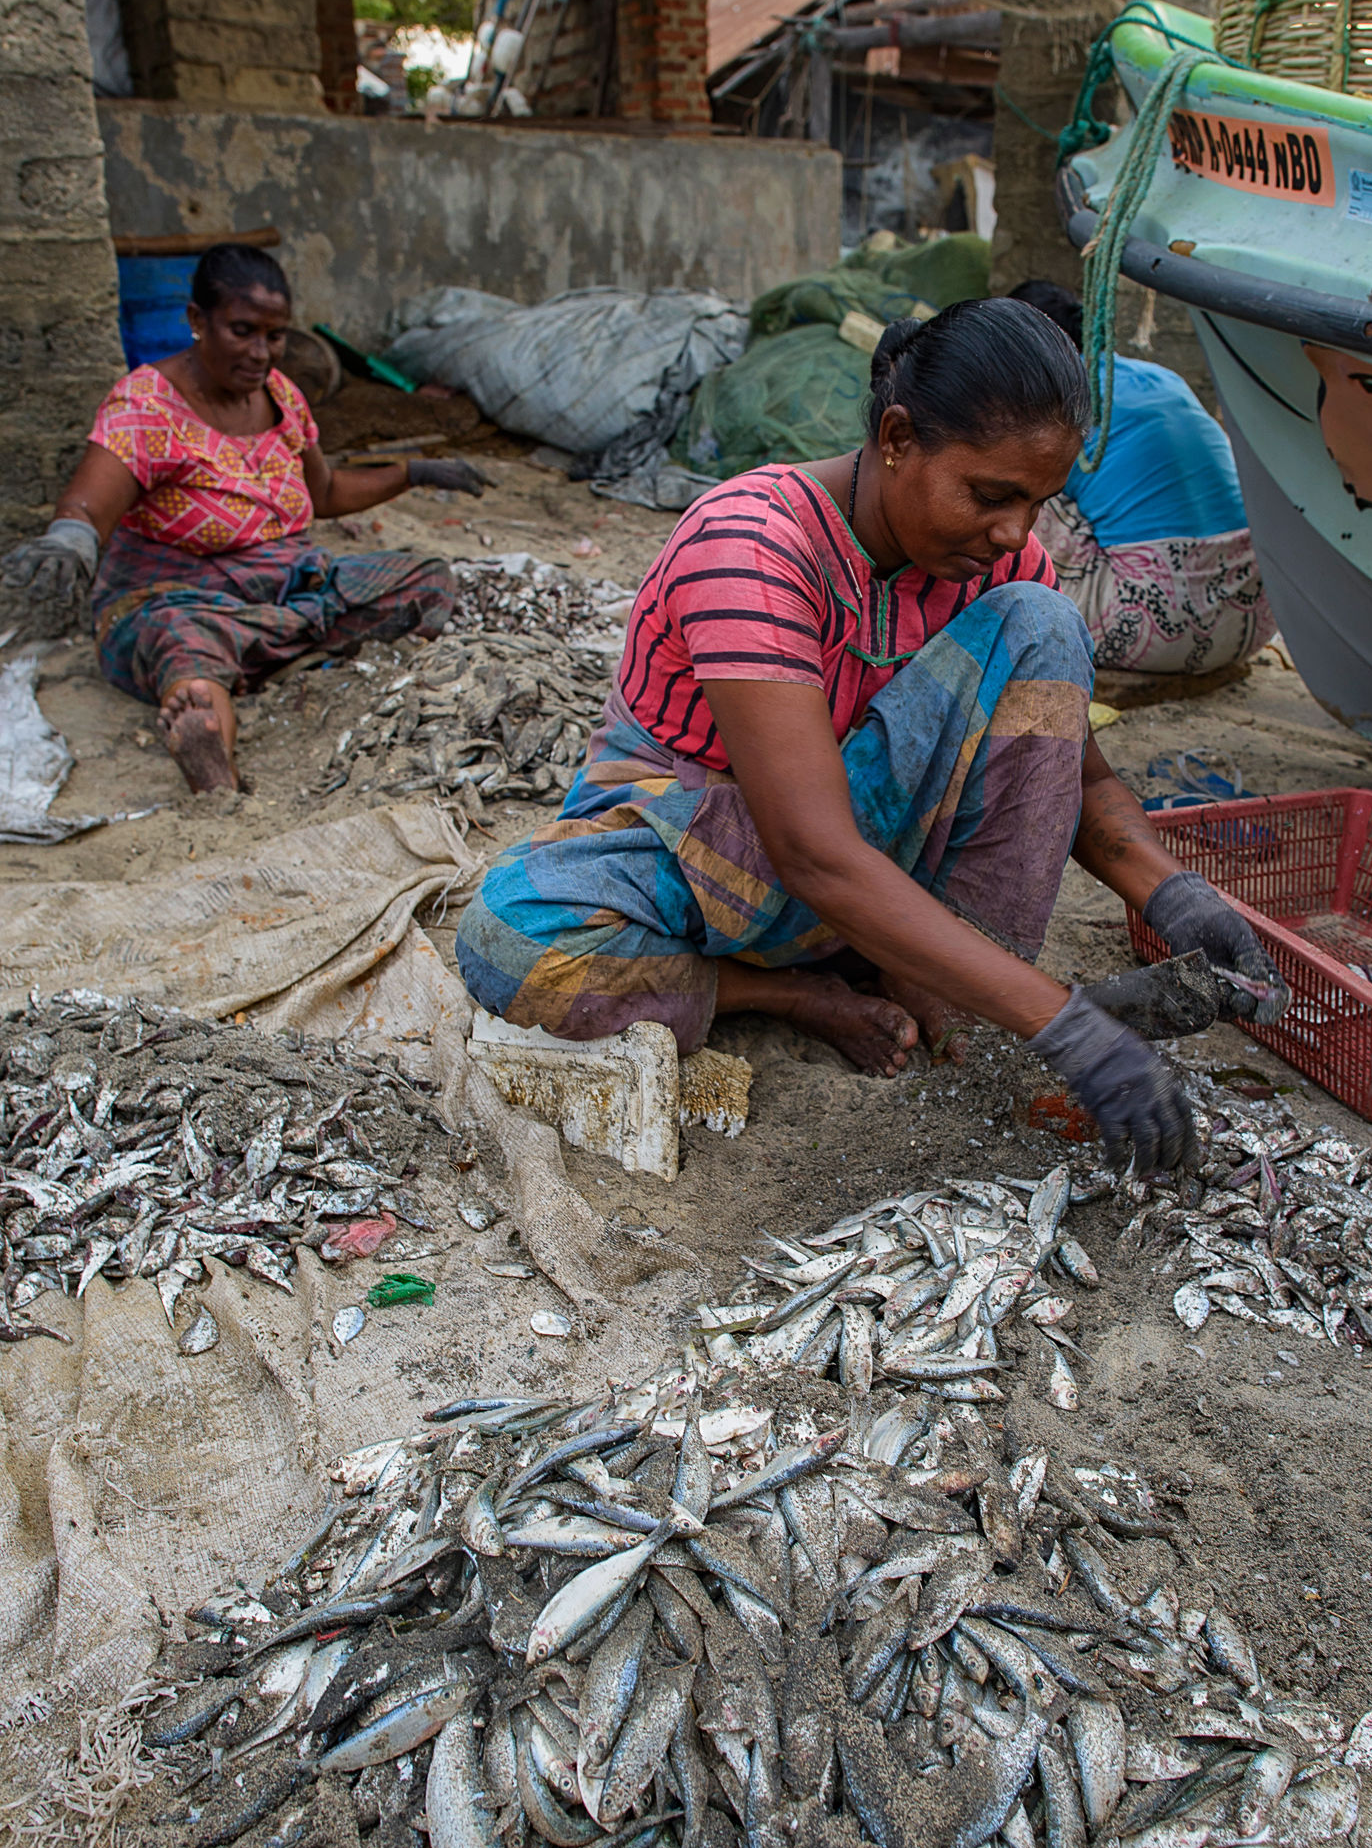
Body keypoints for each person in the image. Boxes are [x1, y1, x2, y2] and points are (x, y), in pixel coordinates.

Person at [456, 299, 1286, 1173]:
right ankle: (783, 993)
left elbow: (1080, 777)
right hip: (709, 858)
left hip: (864, 872)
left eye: (1039, 502)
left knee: (1044, 622)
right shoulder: (753, 543)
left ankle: (951, 986)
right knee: (507, 945)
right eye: (991, 495)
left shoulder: (1004, 565)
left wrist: (1175, 897)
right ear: (896, 438)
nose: (1014, 532)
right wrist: (1066, 1023)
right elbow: (812, 851)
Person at [4, 243, 480, 793]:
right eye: (242, 330)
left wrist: (412, 472)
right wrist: (70, 540)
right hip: (177, 596)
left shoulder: (282, 396)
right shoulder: (145, 405)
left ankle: (256, 658)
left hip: (284, 588)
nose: (261, 352)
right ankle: (213, 755)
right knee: (183, 641)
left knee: (425, 580)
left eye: (274, 336)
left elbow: (322, 492)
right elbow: (89, 503)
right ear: (196, 322)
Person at [1009, 281, 1275, 681]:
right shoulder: (1159, 377)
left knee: (1009, 491)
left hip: (1159, 633)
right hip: (1254, 617)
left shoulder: (1054, 398)